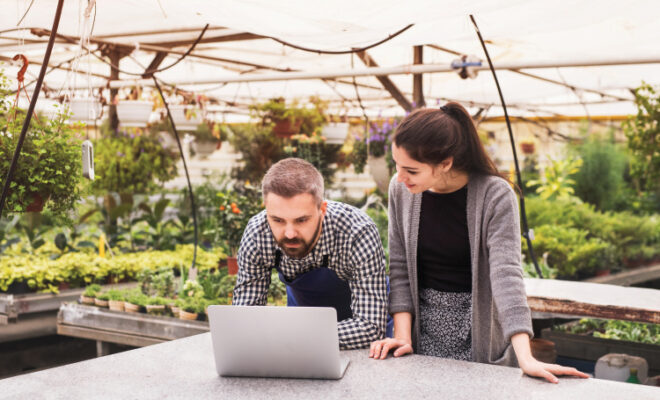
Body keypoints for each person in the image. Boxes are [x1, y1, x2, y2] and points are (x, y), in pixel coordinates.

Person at [368, 103, 589, 383]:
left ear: (445, 163)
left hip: (479, 331)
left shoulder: (495, 195)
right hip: (422, 333)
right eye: (396, 165)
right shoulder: (401, 190)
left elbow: (506, 275)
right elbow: (399, 267)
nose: (400, 177)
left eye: (411, 170)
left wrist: (525, 357)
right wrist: (402, 337)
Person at [232, 158, 389, 349]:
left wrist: (297, 337)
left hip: (363, 335)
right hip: (302, 327)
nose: (289, 233)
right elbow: (245, 319)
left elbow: (370, 328)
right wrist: (301, 337)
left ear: (322, 210)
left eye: (301, 220)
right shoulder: (258, 233)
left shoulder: (357, 232)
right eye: (278, 220)